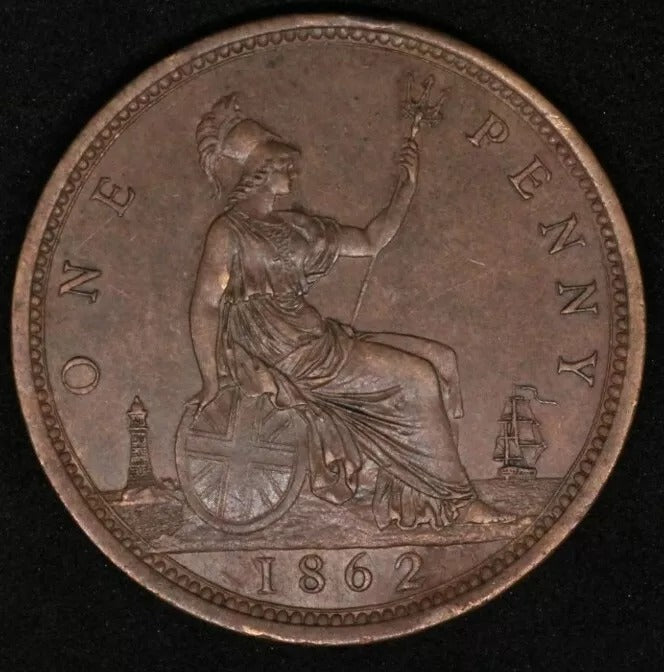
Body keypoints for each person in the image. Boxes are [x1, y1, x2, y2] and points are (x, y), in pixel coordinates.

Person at [188, 94, 511, 528]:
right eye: (286, 166)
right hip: (290, 355)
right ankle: (458, 501)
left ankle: (420, 491)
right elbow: (206, 305)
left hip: (320, 341)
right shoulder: (228, 231)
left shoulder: (297, 227)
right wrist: (210, 378)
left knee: (443, 360)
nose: (294, 173)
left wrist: (405, 189)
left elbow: (371, 241)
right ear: (261, 170)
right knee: (418, 378)